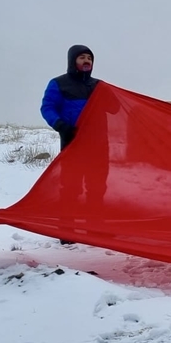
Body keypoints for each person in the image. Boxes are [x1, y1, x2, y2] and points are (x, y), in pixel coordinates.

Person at [40, 45, 110, 239]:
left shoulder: (99, 86)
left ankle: (95, 228)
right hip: (72, 139)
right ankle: (67, 230)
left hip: (98, 142)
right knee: (71, 186)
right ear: (73, 61)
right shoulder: (59, 83)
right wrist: (60, 124)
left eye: (90, 58)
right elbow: (47, 107)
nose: (87, 61)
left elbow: (113, 108)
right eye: (82, 57)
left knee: (97, 186)